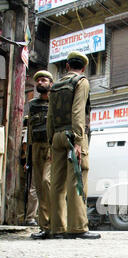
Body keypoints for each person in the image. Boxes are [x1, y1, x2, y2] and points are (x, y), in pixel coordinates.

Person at [47, 51, 100, 239]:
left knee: (57, 183)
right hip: (73, 135)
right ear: (83, 68)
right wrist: (78, 140)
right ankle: (77, 227)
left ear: (67, 66)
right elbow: (78, 111)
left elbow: (50, 116)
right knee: (77, 178)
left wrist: (50, 141)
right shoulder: (81, 81)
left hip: (57, 136)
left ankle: (57, 228)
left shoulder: (55, 86)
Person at [28, 71, 53, 239]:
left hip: (52, 146)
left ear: (51, 83)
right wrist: (28, 154)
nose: (40, 82)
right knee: (39, 186)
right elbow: (30, 129)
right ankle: (45, 227)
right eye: (38, 80)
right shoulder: (32, 104)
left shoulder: (56, 102)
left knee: (47, 182)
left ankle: (56, 223)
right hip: (36, 146)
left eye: (44, 80)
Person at [17, 117, 38, 226]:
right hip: (31, 162)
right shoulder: (30, 129)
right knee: (32, 189)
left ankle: (27, 216)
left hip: (30, 161)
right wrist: (27, 161)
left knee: (29, 189)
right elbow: (26, 146)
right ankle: (29, 217)